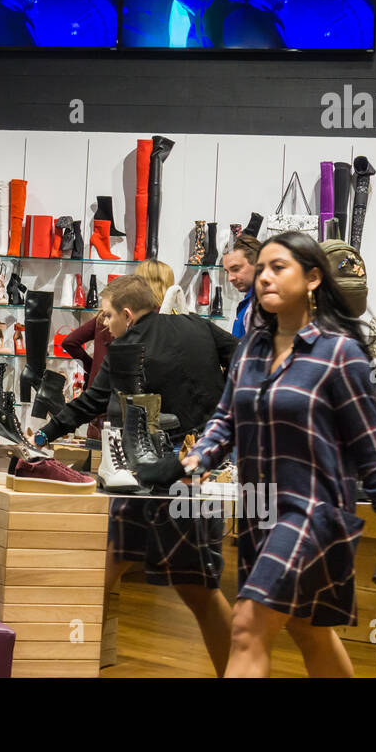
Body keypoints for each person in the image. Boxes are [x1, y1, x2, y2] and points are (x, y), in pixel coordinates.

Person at [183, 231, 376, 678]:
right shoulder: (250, 349)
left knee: (247, 625)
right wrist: (201, 456)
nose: (264, 278)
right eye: (262, 269)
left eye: (279, 268)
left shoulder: (340, 353)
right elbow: (226, 418)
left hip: (313, 513)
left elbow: (371, 448)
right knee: (307, 629)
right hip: (258, 511)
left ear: (313, 278)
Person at [34, 274, 238, 674]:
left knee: (176, 587)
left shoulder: (127, 347)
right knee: (190, 588)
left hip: (155, 479)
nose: (104, 326)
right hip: (197, 471)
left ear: (127, 314)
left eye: (108, 316)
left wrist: (45, 431)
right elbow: (244, 358)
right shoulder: (198, 326)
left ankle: (54, 664)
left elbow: (93, 400)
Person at [222, 233, 261, 339]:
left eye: (236, 269)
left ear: (257, 263)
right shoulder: (249, 302)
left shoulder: (263, 305)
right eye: (227, 272)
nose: (230, 278)